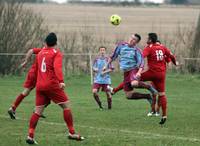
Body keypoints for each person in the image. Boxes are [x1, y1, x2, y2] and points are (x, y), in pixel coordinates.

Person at [26, 32, 84, 144]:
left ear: (45, 42)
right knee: (66, 106)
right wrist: (61, 81)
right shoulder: (56, 53)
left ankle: (30, 136)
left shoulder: (40, 53)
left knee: (37, 111)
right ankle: (72, 133)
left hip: (40, 85)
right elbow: (57, 68)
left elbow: (37, 70)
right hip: (51, 84)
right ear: (56, 43)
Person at [105, 34, 157, 107]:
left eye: (134, 39)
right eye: (131, 38)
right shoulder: (121, 46)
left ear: (136, 42)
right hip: (126, 72)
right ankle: (147, 96)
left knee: (134, 83)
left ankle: (149, 87)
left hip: (133, 69)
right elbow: (113, 56)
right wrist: (106, 65)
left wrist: (139, 72)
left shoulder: (137, 50)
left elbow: (141, 63)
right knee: (129, 96)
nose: (131, 40)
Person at [141, 33, 178, 124]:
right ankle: (164, 115)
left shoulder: (149, 47)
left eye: (147, 38)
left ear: (150, 40)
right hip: (161, 75)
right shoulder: (163, 47)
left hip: (152, 73)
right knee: (162, 94)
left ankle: (148, 92)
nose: (146, 39)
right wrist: (175, 63)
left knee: (133, 79)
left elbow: (141, 56)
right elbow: (171, 56)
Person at [7, 47, 47, 119]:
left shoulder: (42, 50)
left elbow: (31, 50)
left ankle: (13, 108)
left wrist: (26, 61)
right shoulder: (51, 53)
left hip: (32, 73)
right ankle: (37, 110)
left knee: (26, 92)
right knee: (48, 94)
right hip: (38, 75)